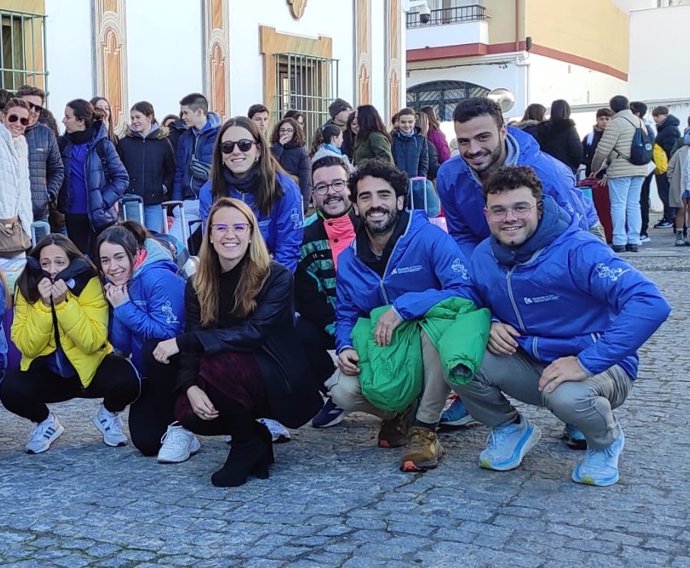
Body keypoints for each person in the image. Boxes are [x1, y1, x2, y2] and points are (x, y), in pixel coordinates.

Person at [454, 165, 670, 486]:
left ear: (539, 208)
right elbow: (468, 297)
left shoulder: (578, 250)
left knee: (567, 396)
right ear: (486, 214)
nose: (509, 217)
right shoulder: (484, 255)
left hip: (598, 367)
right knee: (460, 359)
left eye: (520, 207)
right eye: (498, 210)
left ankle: (605, 442)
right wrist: (491, 321)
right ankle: (510, 429)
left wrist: (587, 361)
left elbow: (651, 302)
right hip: (534, 363)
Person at [327, 159, 484, 472]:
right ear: (355, 206)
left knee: (437, 329)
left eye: (384, 195)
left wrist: (405, 307)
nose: (375, 204)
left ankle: (425, 428)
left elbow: (466, 291)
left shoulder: (428, 238)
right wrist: (344, 346)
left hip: (428, 343)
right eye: (365, 197)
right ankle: (400, 412)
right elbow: (345, 313)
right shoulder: (348, 259)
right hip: (388, 348)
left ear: (399, 201)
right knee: (342, 392)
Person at [151, 198, 321, 487]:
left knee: (218, 363)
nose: (230, 234)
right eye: (221, 227)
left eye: (239, 227)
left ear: (252, 233)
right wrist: (190, 386)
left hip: (275, 375)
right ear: (210, 236)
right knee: (188, 412)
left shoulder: (275, 276)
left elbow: (253, 334)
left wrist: (185, 341)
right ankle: (255, 437)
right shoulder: (197, 283)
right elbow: (193, 341)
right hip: (226, 375)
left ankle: (243, 445)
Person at [0, 234, 141, 454]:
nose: (53, 270)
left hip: (89, 370)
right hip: (46, 371)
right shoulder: (26, 284)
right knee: (9, 389)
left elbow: (92, 341)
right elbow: (27, 346)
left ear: (71, 262)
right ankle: (46, 422)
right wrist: (45, 307)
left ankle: (108, 414)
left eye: (59, 262)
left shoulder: (89, 281)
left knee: (129, 379)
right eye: (45, 263)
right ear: (36, 264)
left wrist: (64, 304)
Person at [437, 97, 596, 260]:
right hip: (497, 248)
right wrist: (481, 271)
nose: (473, 149)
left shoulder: (548, 174)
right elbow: (462, 235)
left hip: (573, 239)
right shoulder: (449, 176)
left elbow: (576, 236)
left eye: (483, 137)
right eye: (464, 141)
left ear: (503, 132)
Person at [96, 222, 195, 461]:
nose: (113, 267)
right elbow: (123, 346)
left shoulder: (158, 277)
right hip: (148, 374)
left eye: (119, 257)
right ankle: (184, 430)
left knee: (155, 348)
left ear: (136, 254)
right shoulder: (119, 284)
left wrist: (125, 308)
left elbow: (168, 333)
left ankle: (182, 426)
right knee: (147, 443)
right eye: (105, 260)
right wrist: (120, 307)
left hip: (177, 367)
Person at [295, 156, 358, 428]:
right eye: (322, 187)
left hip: (376, 319)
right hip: (331, 320)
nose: (331, 192)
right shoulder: (304, 236)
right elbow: (308, 296)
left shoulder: (371, 223)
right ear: (313, 194)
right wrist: (340, 331)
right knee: (297, 331)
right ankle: (336, 391)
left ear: (350, 187)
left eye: (337, 184)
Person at [199, 116, 303, 273]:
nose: (236, 151)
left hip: (271, 276)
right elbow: (211, 246)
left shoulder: (285, 189)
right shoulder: (209, 191)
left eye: (244, 145)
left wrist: (272, 288)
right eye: (227, 147)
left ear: (259, 150)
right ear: (220, 154)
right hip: (225, 277)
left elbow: (288, 250)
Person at [58, 99, 129, 254]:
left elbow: (122, 178)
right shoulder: (63, 145)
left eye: (67, 117)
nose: (63, 120)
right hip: (73, 217)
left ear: (80, 120)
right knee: (80, 264)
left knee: (102, 261)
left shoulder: (103, 145)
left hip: (101, 218)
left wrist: (102, 202)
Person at [591, 95, 649, 253]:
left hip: (621, 169)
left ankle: (619, 240)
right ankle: (634, 240)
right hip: (640, 168)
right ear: (628, 106)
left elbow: (603, 148)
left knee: (618, 204)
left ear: (612, 108)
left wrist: (595, 167)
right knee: (634, 204)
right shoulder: (639, 121)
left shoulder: (616, 123)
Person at [171, 93, 221, 246]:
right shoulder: (184, 137)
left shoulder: (221, 135)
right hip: (189, 203)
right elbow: (179, 171)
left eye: (186, 112)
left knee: (213, 247)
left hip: (213, 202)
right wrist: (177, 201)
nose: (183, 117)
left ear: (199, 112)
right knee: (174, 243)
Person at [117, 101, 175, 232]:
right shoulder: (124, 143)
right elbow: (117, 170)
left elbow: (171, 170)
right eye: (132, 118)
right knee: (133, 237)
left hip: (154, 201)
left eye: (138, 117)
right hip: (130, 201)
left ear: (149, 118)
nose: (134, 121)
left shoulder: (163, 143)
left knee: (153, 238)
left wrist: (164, 187)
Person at [16, 85, 65, 223]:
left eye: (37, 108)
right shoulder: (5, 132)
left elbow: (58, 170)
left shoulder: (46, 134)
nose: (33, 111)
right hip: (10, 215)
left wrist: (47, 195)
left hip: (38, 214)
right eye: (28, 105)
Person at [0, 98, 33, 260]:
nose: (18, 123)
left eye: (24, 120)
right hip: (3, 221)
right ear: (2, 116)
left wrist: (27, 226)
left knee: (17, 278)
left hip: (15, 227)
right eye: (13, 118)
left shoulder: (21, 144)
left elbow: (23, 189)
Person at [269, 117, 311, 213]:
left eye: (289, 130)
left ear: (294, 133)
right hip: (273, 196)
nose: (285, 133)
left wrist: (304, 204)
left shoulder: (301, 153)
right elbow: (269, 166)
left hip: (291, 196)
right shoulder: (273, 149)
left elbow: (306, 181)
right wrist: (279, 146)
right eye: (282, 130)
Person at [629, 101, 656, 243]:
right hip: (643, 167)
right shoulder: (647, 128)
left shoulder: (643, 128)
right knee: (639, 199)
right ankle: (640, 231)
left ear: (637, 114)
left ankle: (642, 231)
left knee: (641, 199)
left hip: (641, 167)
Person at [652, 105, 681, 229]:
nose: (655, 119)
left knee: (666, 193)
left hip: (665, 167)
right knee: (665, 193)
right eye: (654, 116)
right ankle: (669, 216)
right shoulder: (666, 128)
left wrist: (669, 167)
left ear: (664, 115)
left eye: (657, 116)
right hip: (663, 166)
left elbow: (670, 150)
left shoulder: (668, 130)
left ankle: (669, 217)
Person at [534, 99, 583, 174]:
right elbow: (577, 151)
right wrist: (572, 166)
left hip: (545, 167)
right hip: (565, 168)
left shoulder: (541, 128)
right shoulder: (569, 129)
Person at [666, 130, 690, 246]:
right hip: (682, 185)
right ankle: (680, 234)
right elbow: (670, 167)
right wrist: (672, 180)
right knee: (681, 209)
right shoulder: (681, 152)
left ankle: (689, 234)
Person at [391, 107, 428, 179]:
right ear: (398, 122)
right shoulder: (392, 139)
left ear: (415, 121)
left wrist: (421, 177)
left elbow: (424, 162)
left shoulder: (421, 140)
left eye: (410, 122)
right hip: (397, 181)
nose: (407, 125)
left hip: (415, 182)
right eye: (403, 122)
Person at [582, 107, 613, 176]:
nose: (604, 121)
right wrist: (591, 163)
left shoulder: (615, 136)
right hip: (592, 176)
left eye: (607, 119)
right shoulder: (589, 137)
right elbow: (581, 156)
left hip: (611, 175)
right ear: (597, 120)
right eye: (601, 119)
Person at [416, 111, 440, 181]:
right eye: (428, 124)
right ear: (424, 125)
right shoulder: (427, 145)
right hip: (423, 182)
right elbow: (433, 168)